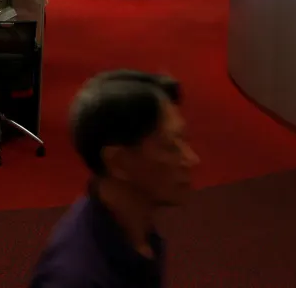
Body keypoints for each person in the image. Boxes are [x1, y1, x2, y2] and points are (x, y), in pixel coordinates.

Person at [30, 71, 198, 288]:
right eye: (170, 146)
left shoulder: (134, 230)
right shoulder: (75, 277)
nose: (192, 159)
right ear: (118, 162)